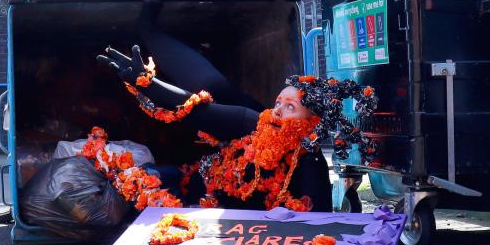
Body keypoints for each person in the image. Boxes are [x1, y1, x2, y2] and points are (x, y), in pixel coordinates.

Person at [96, 42, 376, 212]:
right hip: (187, 187)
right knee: (139, 180)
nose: (278, 110)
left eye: (290, 107)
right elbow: (195, 109)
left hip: (222, 225)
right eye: (278, 103)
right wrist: (146, 82)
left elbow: (317, 222)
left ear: (310, 122)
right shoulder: (252, 123)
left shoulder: (310, 164)